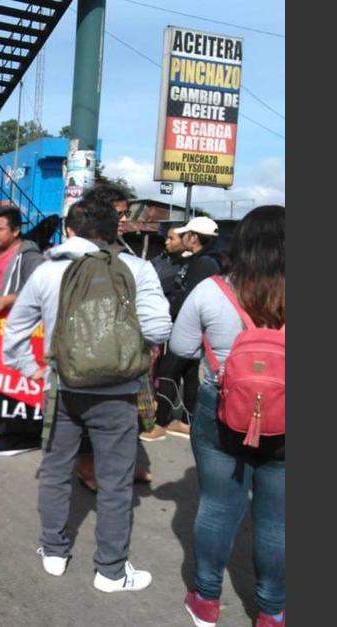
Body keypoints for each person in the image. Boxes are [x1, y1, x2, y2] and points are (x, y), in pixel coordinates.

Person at [2, 196, 171, 592]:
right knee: (115, 481)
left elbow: (14, 334)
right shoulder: (136, 267)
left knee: (57, 471)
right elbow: (160, 329)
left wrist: (34, 371)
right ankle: (111, 570)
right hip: (118, 390)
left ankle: (55, 552)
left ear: (70, 230)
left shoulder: (47, 271)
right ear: (115, 232)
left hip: (62, 387)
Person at [170, 206, 285, 627]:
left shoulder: (211, 290)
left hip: (220, 408)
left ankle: (205, 600)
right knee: (279, 519)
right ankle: (272, 612)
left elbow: (181, 348)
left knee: (217, 506)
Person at [143, 216, 223, 442]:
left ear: (194, 238)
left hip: (188, 329)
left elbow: (189, 298)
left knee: (167, 373)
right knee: (189, 374)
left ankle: (159, 424)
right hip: (195, 329)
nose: (183, 237)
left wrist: (165, 314)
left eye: (186, 234)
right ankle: (188, 422)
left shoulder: (204, 264)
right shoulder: (204, 261)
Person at [0, 207, 45, 316]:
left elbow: (39, 289)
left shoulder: (29, 257)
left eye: (0, 229)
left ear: (15, 231)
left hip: (11, 322)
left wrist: (7, 300)